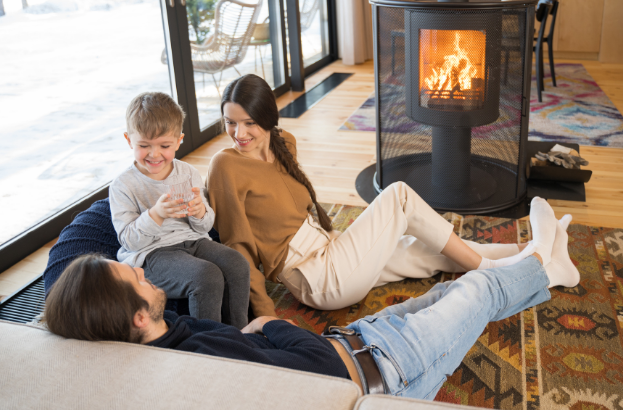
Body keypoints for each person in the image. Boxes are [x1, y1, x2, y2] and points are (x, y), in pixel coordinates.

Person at [44, 224, 579, 398]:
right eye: (134, 277)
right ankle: (543, 260)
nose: (141, 270)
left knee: (450, 292)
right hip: (387, 367)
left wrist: (264, 331)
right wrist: (274, 323)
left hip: (364, 339)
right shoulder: (206, 361)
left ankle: (550, 266)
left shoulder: (171, 333)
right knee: (479, 292)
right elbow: (319, 370)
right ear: (139, 318)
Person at [205, 74, 569, 317]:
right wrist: (267, 318)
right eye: (230, 123)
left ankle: (542, 258)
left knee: (428, 251)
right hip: (317, 278)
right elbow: (237, 247)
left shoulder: (285, 144)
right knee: (398, 196)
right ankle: (497, 266)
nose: (239, 133)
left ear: (269, 117)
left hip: (333, 248)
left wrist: (337, 242)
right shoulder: (226, 166)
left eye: (249, 122)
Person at [109, 92, 250, 328]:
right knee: (206, 276)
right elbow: (129, 240)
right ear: (129, 140)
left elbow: (206, 227)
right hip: (152, 254)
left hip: (194, 241)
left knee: (237, 263)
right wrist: (156, 215)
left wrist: (200, 213)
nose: (154, 154)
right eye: (144, 146)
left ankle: (240, 333)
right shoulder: (123, 186)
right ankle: (208, 345)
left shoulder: (188, 173)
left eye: (164, 146)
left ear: (178, 140)